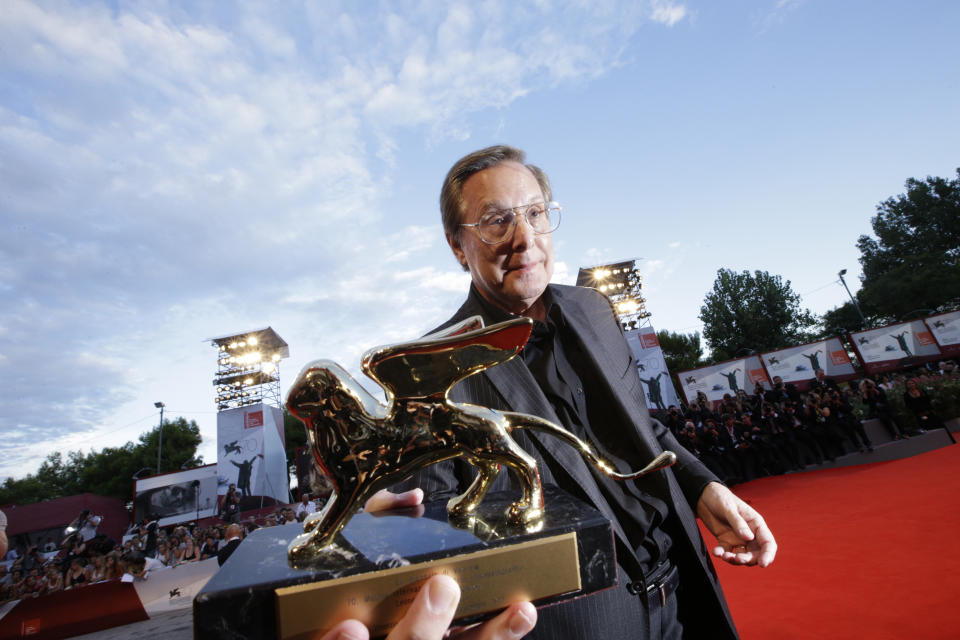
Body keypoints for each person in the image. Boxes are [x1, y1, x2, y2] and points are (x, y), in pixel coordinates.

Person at [347, 146, 776, 639]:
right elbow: (430, 523)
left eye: (534, 213)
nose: (524, 238)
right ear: (457, 246)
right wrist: (390, 533)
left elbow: (644, 428)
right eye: (496, 221)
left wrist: (703, 487)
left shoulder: (594, 309)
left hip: (682, 593)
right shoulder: (430, 371)